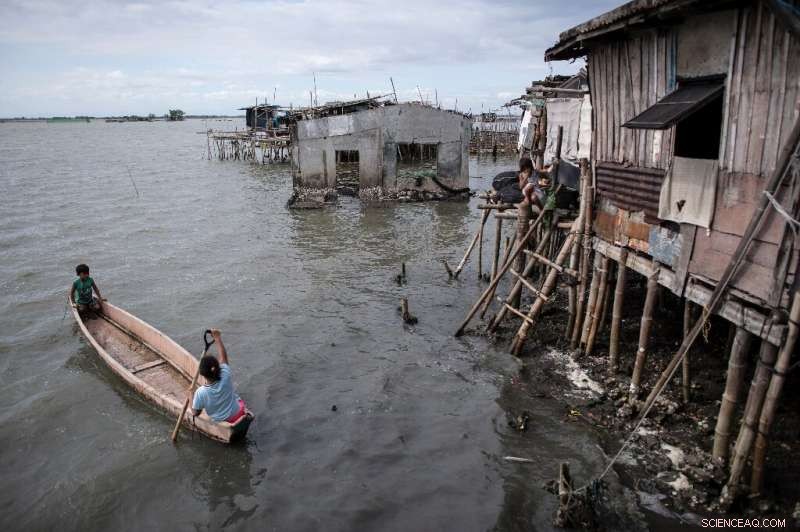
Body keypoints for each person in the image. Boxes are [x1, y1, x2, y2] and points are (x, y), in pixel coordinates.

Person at [192, 329, 249, 424]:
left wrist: (190, 395)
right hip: (239, 413)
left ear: (202, 374)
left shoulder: (200, 392)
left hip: (223, 421)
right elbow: (223, 357)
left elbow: (195, 413)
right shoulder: (225, 374)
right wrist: (217, 338)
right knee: (236, 397)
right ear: (218, 367)